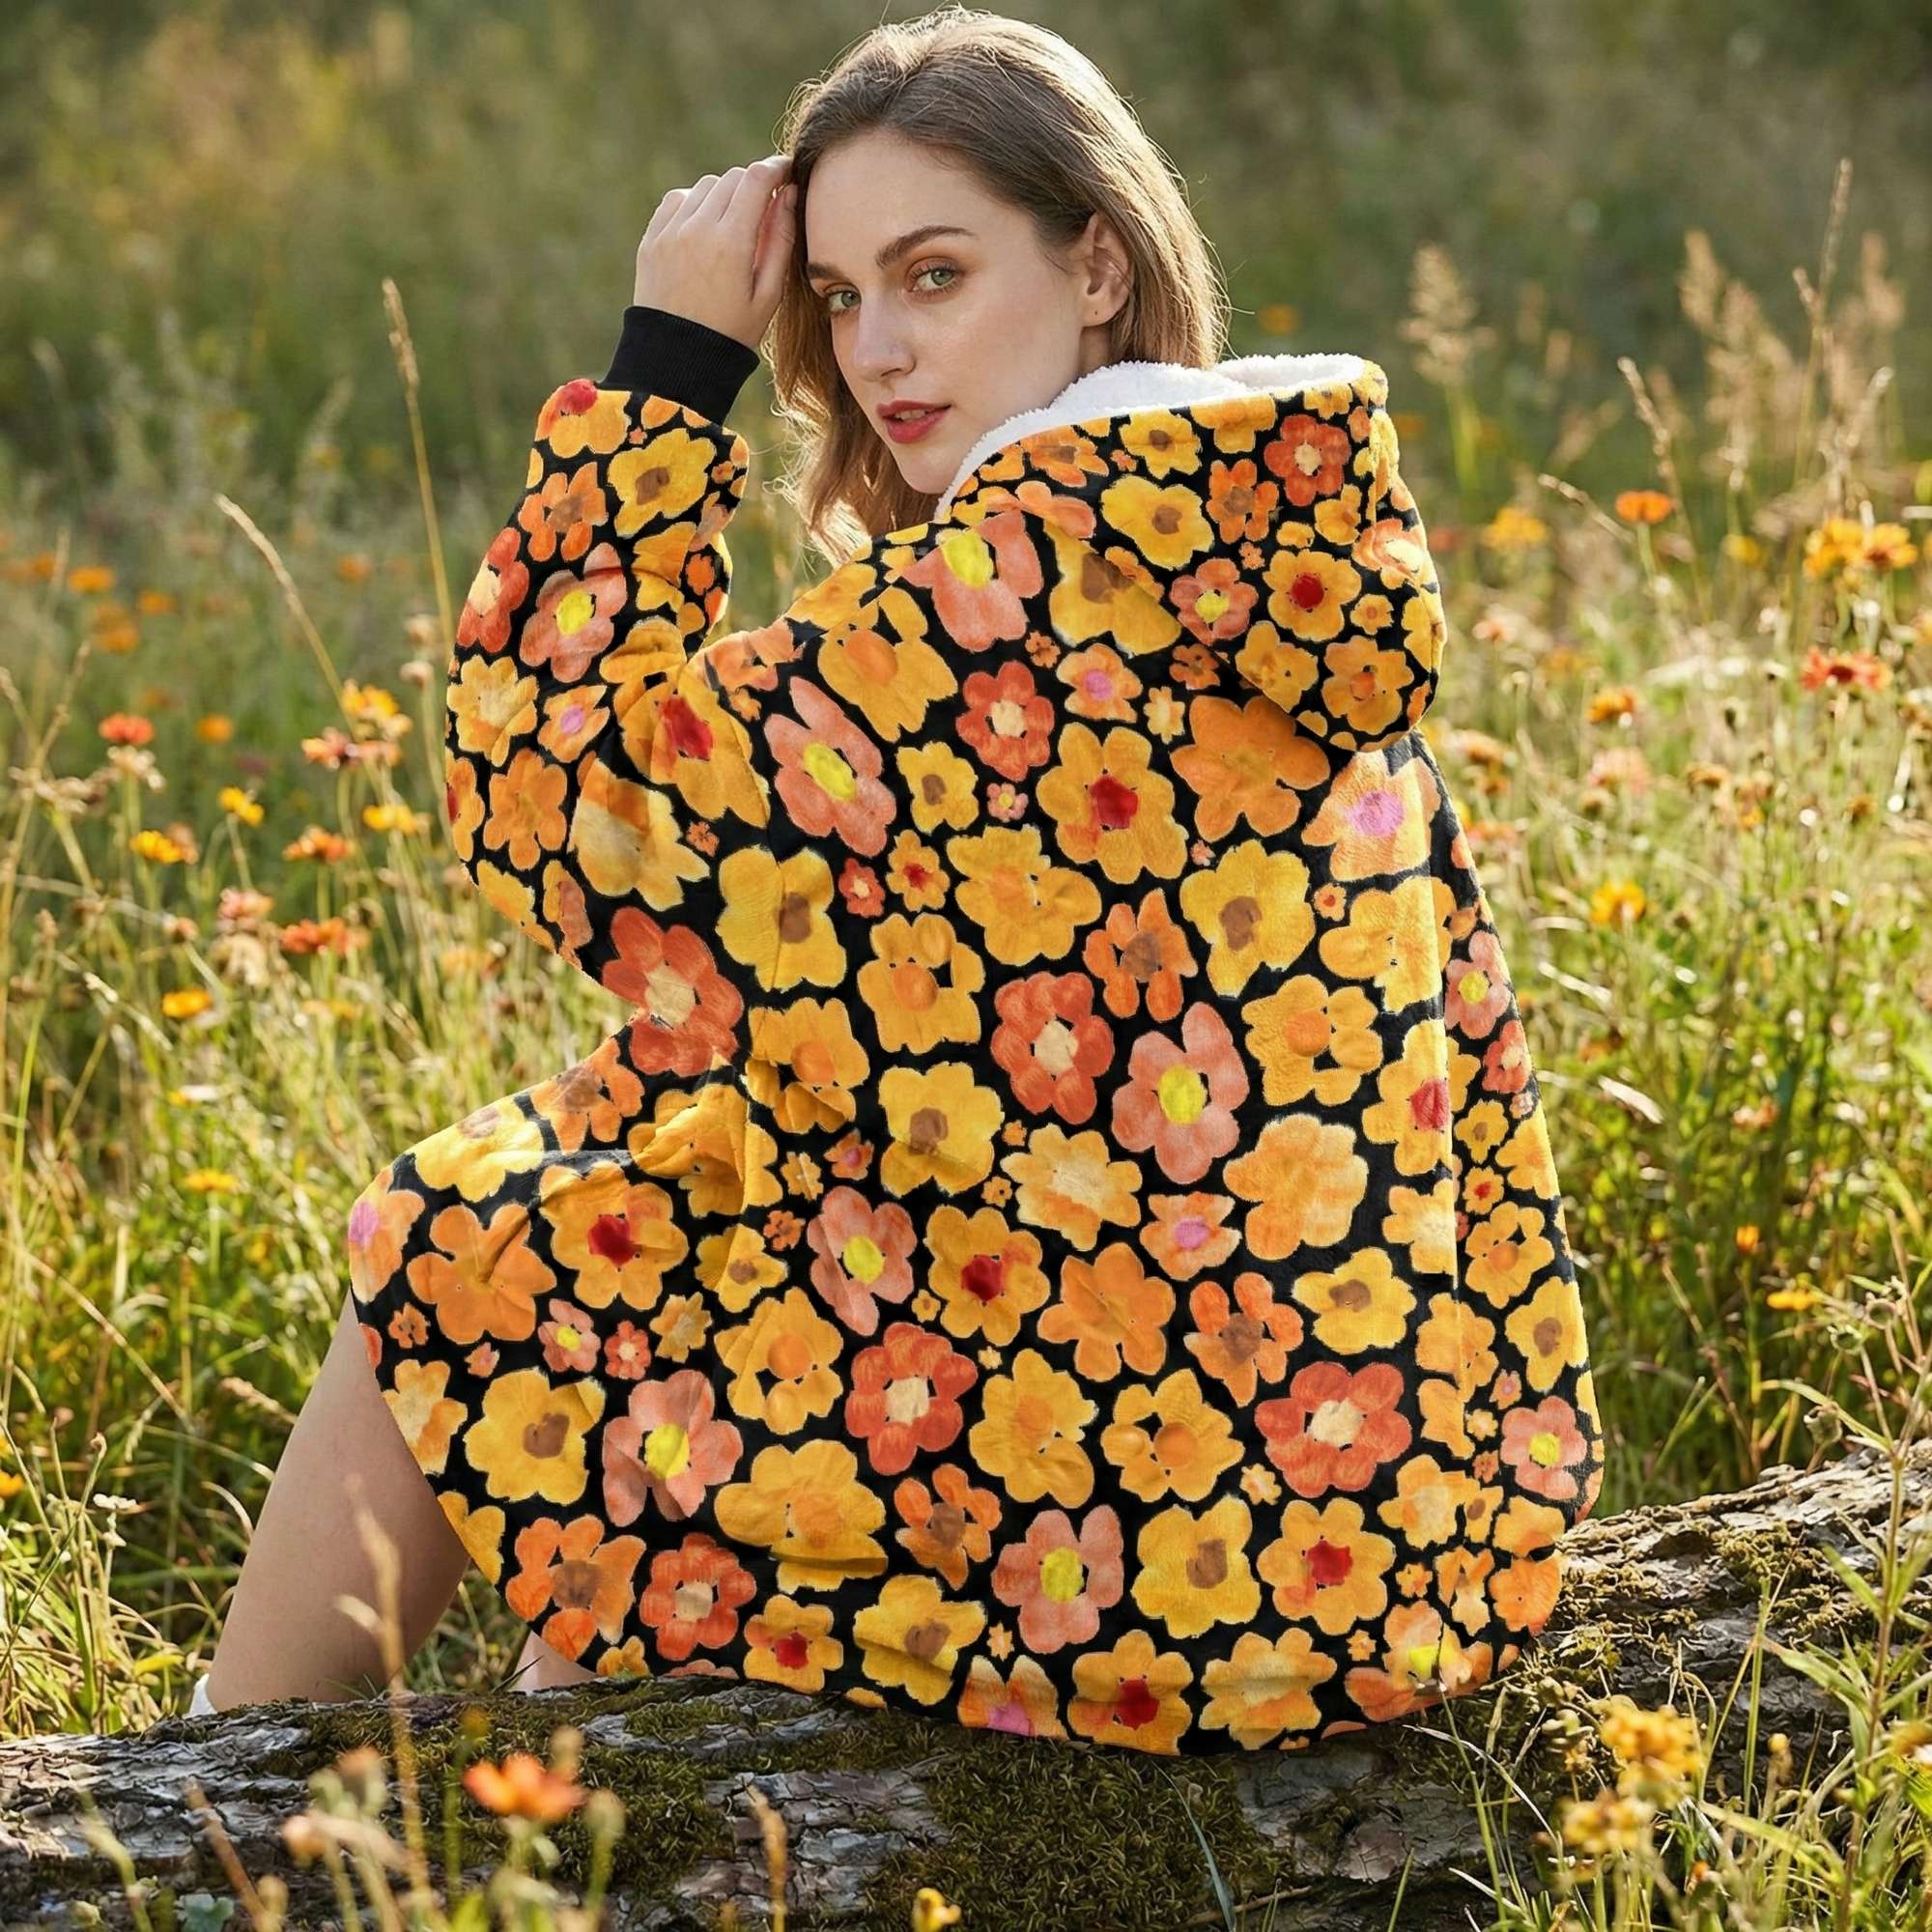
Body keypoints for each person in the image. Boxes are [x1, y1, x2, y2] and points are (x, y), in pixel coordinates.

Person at [196, 5, 1602, 1754]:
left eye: (935, 275)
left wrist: (667, 369)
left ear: (1098, 263)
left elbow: (548, 791)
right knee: (657, 1169)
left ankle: (207, 1808)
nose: (878, 350)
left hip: (1146, 1579)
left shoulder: (1004, 598)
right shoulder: (1268, 552)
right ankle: (513, 1751)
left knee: (457, 1245)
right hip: (1379, 1551)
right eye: (840, 297)